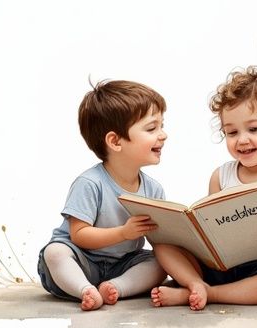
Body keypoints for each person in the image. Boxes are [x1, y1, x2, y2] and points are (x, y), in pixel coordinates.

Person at [150, 67, 257, 310]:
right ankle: (196, 283)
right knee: (162, 244)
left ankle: (207, 293)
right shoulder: (221, 175)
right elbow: (210, 223)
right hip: (223, 265)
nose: (242, 140)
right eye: (232, 132)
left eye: (253, 129)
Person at [37, 80, 169, 311]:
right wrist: (123, 232)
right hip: (82, 260)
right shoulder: (90, 183)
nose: (163, 135)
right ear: (115, 141)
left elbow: (160, 240)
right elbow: (78, 235)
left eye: (162, 126)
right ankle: (83, 289)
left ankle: (116, 286)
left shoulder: (153, 189)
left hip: (123, 264)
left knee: (160, 261)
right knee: (55, 252)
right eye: (152, 128)